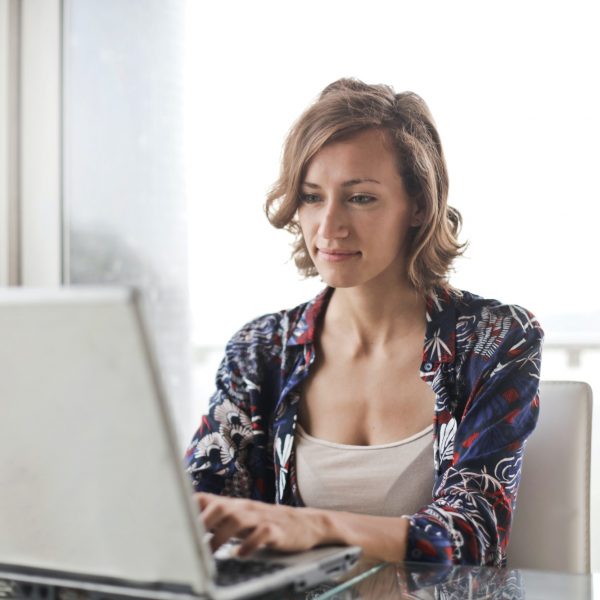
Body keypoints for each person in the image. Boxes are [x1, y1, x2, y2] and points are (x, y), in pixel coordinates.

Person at [185, 78, 543, 567]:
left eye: (360, 198)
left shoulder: (494, 339)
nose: (329, 226)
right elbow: (195, 508)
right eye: (312, 197)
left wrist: (317, 525)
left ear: (418, 206)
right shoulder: (262, 349)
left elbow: (476, 535)